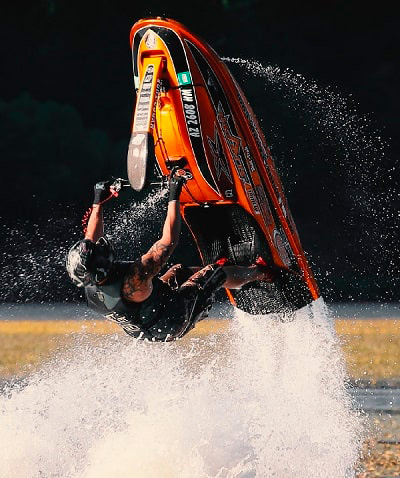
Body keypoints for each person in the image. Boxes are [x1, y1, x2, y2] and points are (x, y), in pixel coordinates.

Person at [66, 170, 274, 341]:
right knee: (213, 272)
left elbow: (90, 240)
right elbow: (167, 243)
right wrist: (174, 195)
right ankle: (262, 273)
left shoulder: (88, 275)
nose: (99, 245)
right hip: (172, 321)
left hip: (149, 316)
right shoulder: (134, 279)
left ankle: (230, 274)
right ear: (103, 262)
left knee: (179, 271)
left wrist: (98, 203)